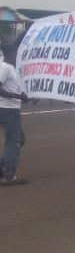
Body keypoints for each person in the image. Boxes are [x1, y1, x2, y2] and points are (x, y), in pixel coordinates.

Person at [0, 50, 30, 185]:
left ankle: (3, 167)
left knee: (20, 139)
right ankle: (9, 176)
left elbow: (12, 87)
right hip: (8, 110)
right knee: (14, 142)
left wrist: (22, 95)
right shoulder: (4, 67)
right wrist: (19, 97)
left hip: (8, 108)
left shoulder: (8, 68)